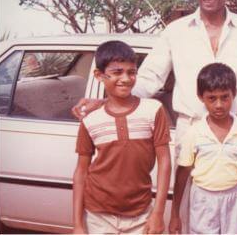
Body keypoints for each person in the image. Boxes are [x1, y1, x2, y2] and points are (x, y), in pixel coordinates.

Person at [72, 0, 237, 231]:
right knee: (189, 219)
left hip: (235, 137)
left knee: (233, 219)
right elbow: (148, 79)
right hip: (191, 135)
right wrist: (105, 102)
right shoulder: (175, 31)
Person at [72, 41, 171, 234]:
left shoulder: (153, 110)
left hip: (141, 215)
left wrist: (158, 213)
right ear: (99, 75)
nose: (125, 79)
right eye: (117, 72)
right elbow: (81, 172)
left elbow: (164, 161)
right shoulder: (90, 119)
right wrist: (77, 224)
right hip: (97, 216)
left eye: (131, 72)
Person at [168, 63, 237, 234]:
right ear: (201, 97)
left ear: (234, 94)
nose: (219, 105)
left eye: (225, 97)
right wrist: (175, 214)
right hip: (203, 199)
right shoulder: (194, 132)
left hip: (233, 197)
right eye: (212, 98)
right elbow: (182, 174)